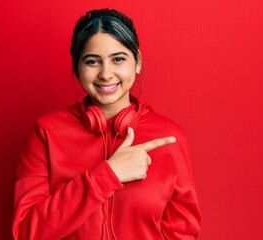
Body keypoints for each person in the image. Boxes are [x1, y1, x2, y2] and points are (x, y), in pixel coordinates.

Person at [12, 8, 201, 240]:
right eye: (93, 61)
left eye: (118, 59)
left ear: (137, 62)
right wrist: (108, 174)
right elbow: (26, 232)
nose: (106, 73)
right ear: (76, 68)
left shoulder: (169, 137)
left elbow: (183, 232)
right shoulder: (47, 132)